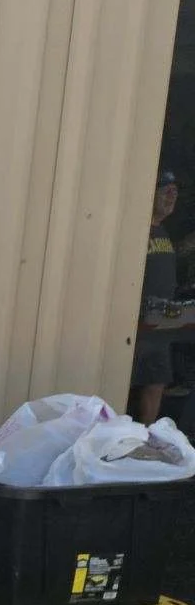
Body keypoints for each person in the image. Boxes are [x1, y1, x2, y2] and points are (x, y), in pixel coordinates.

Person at [129, 170, 181, 423]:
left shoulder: (164, 232)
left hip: (160, 321)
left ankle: (146, 436)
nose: (171, 197)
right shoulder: (137, 231)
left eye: (175, 192)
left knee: (157, 381)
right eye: (165, 191)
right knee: (126, 379)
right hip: (136, 320)